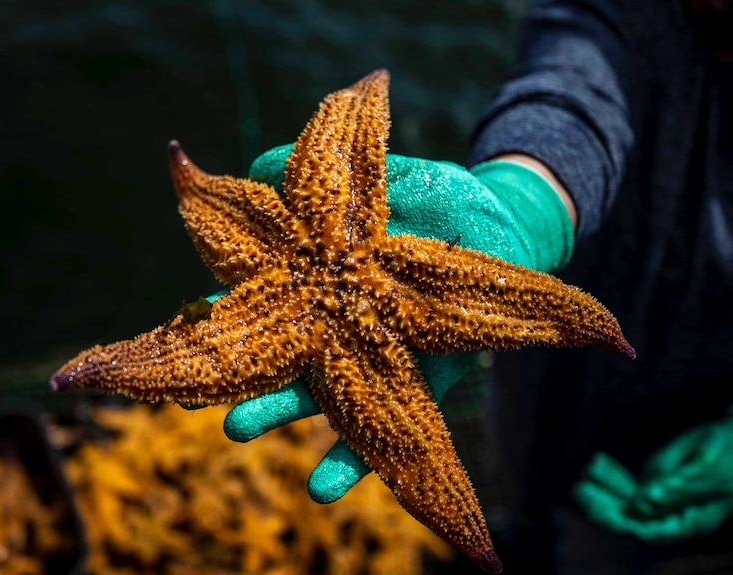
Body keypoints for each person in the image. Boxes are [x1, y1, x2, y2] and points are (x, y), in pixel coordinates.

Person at [223, 1, 733, 573]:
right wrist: (523, 200)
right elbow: (569, 91)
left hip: (691, 424)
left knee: (619, 549)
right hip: (544, 380)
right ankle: (519, 531)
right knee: (521, 482)